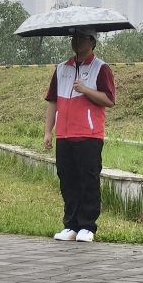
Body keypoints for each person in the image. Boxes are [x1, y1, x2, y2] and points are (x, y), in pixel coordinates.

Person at [43, 27, 116, 243]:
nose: (76, 41)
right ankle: (71, 225)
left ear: (92, 41)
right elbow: (53, 102)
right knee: (67, 181)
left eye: (82, 38)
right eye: (73, 37)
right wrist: (48, 131)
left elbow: (109, 100)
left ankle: (87, 226)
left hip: (89, 135)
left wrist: (86, 89)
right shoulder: (61, 69)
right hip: (64, 135)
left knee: (88, 181)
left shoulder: (100, 68)